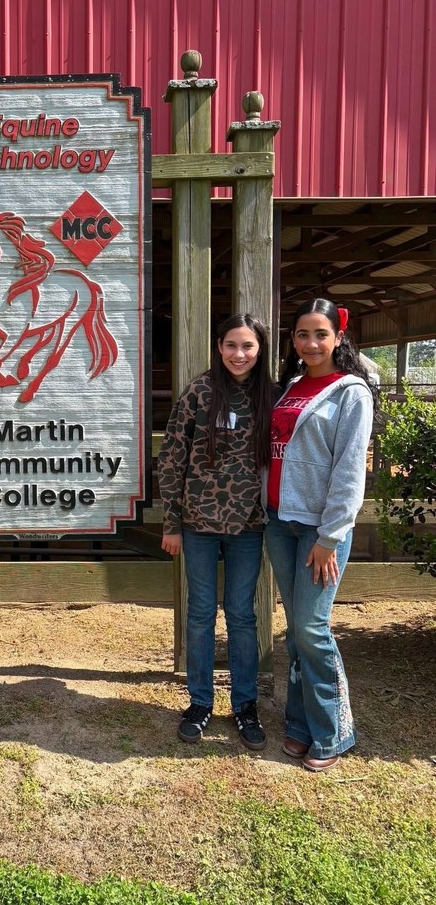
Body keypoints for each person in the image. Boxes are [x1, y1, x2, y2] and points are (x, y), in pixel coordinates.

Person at [265, 298, 374, 772]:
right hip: (279, 521)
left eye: (320, 335)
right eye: (302, 335)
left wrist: (330, 536)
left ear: (338, 338)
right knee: (296, 631)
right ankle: (299, 724)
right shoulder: (290, 387)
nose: (311, 343)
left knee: (312, 629)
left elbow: (351, 470)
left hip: (318, 530)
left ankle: (334, 730)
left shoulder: (350, 393)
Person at [158, 313, 276, 750]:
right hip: (198, 524)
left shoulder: (272, 396)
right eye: (231, 345)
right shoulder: (200, 391)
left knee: (243, 616)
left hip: (249, 525)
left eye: (247, 346)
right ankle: (201, 702)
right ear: (219, 346)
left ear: (259, 349)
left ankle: (245, 706)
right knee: (201, 613)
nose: (239, 354)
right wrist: (171, 522)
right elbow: (172, 459)